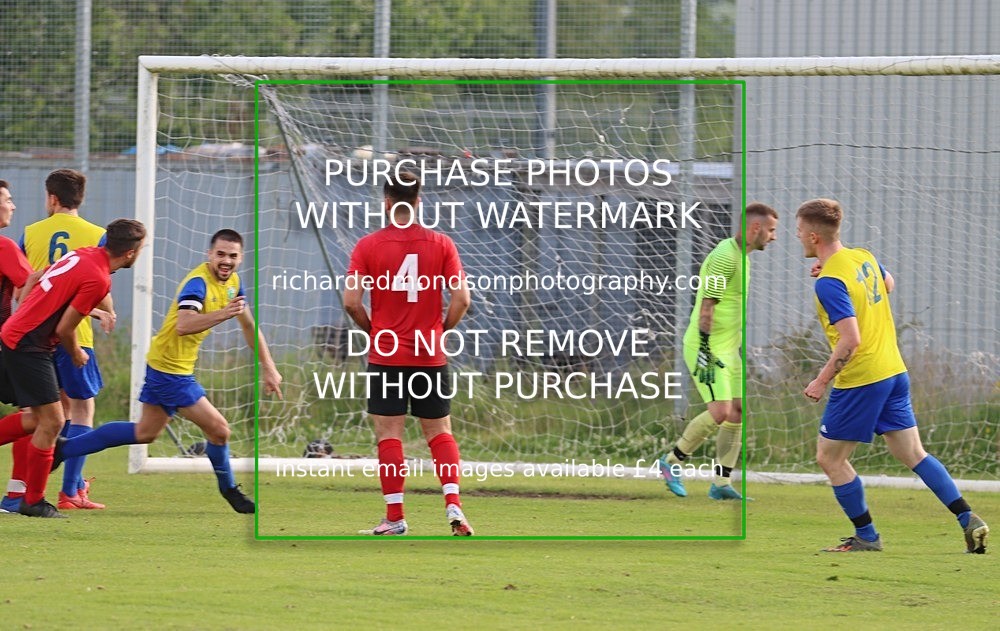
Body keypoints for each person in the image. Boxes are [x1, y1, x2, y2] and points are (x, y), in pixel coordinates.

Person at [796, 198, 988, 553]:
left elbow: (851, 339)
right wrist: (837, 275)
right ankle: (969, 519)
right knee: (914, 453)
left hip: (862, 377)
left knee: (830, 458)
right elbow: (889, 283)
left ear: (812, 235)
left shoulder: (829, 282)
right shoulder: (862, 257)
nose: (797, 239)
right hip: (894, 370)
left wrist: (821, 380)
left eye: (797, 233)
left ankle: (867, 537)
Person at [52, 229, 283, 514]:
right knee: (219, 430)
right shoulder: (197, 284)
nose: (226, 261)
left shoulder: (233, 283)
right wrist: (224, 313)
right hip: (170, 371)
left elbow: (249, 326)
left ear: (241, 258)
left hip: (172, 366)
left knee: (145, 432)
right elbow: (184, 324)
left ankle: (64, 448)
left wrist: (269, 368)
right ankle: (230, 490)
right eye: (220, 254)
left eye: (232, 256)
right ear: (209, 254)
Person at [344, 171, 473, 536]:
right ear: (419, 201)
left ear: (386, 202)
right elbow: (462, 299)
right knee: (439, 432)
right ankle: (453, 505)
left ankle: (395, 518)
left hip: (387, 356)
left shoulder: (368, 246)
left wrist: (374, 331)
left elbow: (351, 302)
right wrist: (442, 329)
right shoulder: (442, 243)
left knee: (390, 435)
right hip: (430, 355)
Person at [0, 218, 145, 517]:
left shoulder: (82, 254)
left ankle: (31, 499)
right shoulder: (99, 278)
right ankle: (33, 501)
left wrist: (28, 311)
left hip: (19, 336)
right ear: (131, 253)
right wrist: (77, 353)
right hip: (29, 343)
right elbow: (67, 328)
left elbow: (35, 279)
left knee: (37, 421)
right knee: (52, 422)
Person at [2, 168, 115, 513]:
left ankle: (22, 494)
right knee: (73, 410)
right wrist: (100, 312)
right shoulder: (97, 235)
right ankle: (68, 491)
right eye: (7, 200)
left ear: (52, 198)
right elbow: (31, 284)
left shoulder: (31, 233)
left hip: (25, 333)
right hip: (62, 334)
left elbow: (27, 287)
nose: (13, 206)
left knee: (41, 413)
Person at [657, 203, 779, 500]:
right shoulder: (725, 258)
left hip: (728, 349)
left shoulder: (743, 257)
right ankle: (671, 462)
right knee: (721, 411)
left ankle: (721, 485)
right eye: (772, 230)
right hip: (707, 347)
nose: (774, 237)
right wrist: (704, 350)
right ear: (755, 229)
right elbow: (707, 308)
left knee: (736, 413)